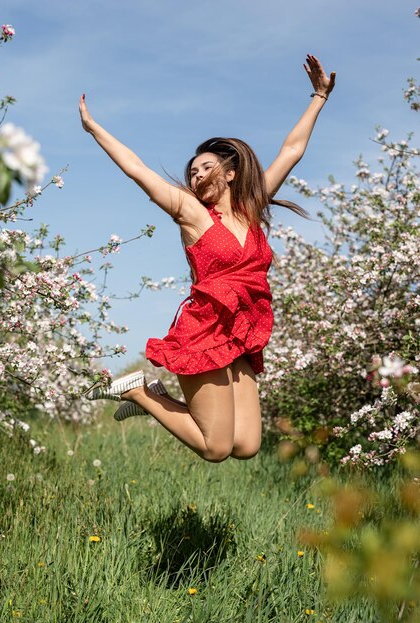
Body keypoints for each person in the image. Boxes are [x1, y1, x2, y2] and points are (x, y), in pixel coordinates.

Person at [79, 54, 336, 463]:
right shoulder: (193, 214)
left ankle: (154, 397)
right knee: (215, 448)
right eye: (192, 171)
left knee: (247, 446)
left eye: (205, 168)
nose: (196, 175)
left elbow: (291, 150)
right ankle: (137, 390)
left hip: (244, 328)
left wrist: (319, 96)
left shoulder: (252, 208)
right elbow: (137, 169)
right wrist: (94, 129)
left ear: (231, 173)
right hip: (206, 328)